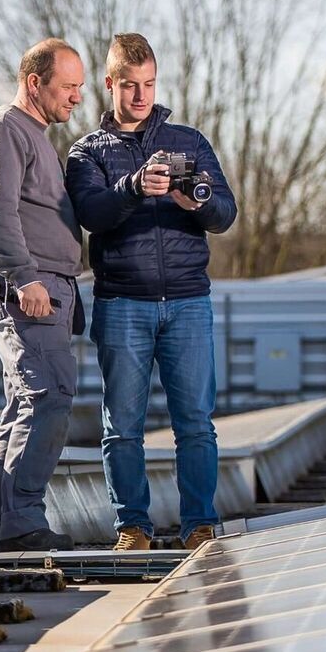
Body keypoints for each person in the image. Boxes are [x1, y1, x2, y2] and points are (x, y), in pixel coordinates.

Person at [65, 32, 237, 551]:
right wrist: (135, 187)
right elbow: (91, 215)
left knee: (196, 423)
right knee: (122, 426)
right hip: (121, 303)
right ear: (110, 84)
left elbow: (225, 213)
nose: (141, 96)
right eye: (130, 86)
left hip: (187, 301)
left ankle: (200, 525)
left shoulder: (190, 141)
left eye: (149, 84)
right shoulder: (86, 153)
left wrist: (197, 206)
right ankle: (132, 528)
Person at [0, 37, 86, 551]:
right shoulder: (2, 132)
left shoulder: (35, 136)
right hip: (25, 288)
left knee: (28, 399)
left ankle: (15, 523)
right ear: (35, 82)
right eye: (69, 86)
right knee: (47, 393)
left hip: (47, 286)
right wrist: (24, 278)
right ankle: (22, 522)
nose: (77, 97)